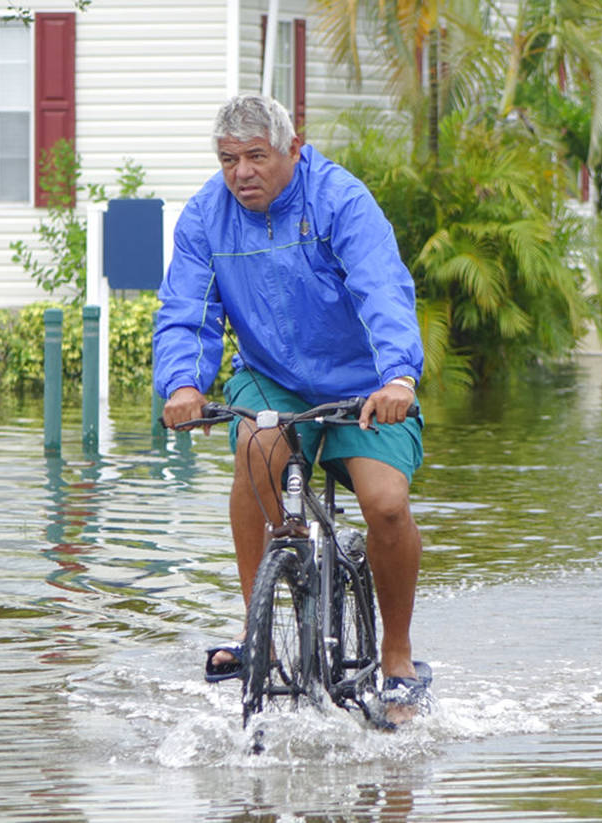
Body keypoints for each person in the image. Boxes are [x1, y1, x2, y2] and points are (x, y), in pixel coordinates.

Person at [153, 94, 430, 723]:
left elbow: (381, 287)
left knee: (385, 503)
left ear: (293, 149)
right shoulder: (205, 216)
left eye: (256, 156)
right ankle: (257, 628)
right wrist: (181, 387)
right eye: (229, 159)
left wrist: (398, 377)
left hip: (364, 386)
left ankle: (398, 655)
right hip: (270, 376)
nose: (241, 172)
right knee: (256, 447)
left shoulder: (340, 200)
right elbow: (187, 311)